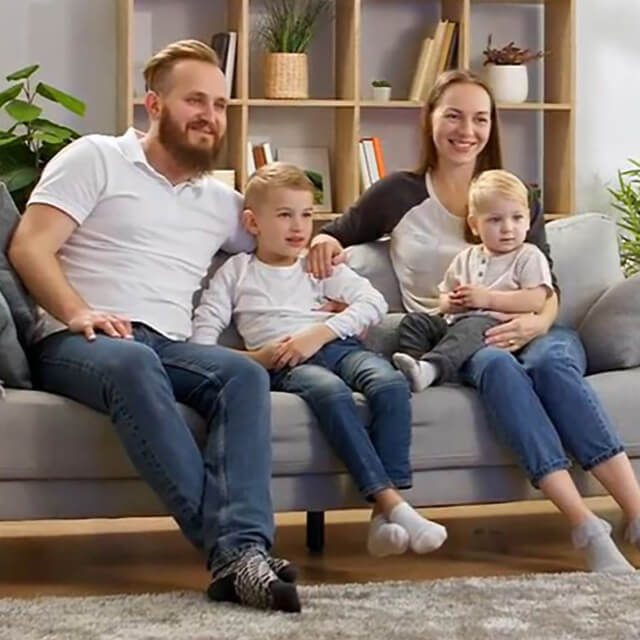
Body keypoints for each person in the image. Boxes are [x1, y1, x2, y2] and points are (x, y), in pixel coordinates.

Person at [307, 69, 640, 573]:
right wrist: (323, 242)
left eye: (480, 118)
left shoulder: (516, 193)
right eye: (454, 115)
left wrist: (537, 323)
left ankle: (635, 512)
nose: (467, 130)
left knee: (552, 366)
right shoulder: (397, 193)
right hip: (465, 341)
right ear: (431, 121)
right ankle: (584, 524)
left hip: (539, 328)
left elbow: (547, 286)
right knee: (499, 369)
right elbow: (334, 232)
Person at [8, 40, 301, 612]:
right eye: (196, 100)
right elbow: (28, 246)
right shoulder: (95, 157)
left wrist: (323, 247)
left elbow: (278, 240)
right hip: (79, 342)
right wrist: (76, 311)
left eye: (219, 105)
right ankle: (235, 554)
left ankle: (240, 552)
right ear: (153, 105)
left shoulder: (221, 201)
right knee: (134, 360)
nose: (210, 116)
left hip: (164, 343)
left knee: (242, 377)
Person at [192, 162, 448, 558]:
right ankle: (393, 506)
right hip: (287, 361)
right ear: (252, 222)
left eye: (307, 215)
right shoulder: (236, 273)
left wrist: (321, 332)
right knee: (330, 394)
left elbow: (373, 303)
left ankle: (384, 518)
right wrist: (254, 359)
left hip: (337, 345)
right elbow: (202, 340)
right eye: (284, 215)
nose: (298, 227)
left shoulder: (317, 264)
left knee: (390, 384)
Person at [393, 169, 553, 392]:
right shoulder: (466, 257)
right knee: (416, 322)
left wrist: (487, 299)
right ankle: (415, 370)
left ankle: (433, 368)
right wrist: (452, 302)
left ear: (528, 220)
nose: (508, 228)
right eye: (495, 220)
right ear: (474, 225)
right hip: (456, 324)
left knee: (472, 326)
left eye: (517, 218)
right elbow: (443, 298)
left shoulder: (528, 256)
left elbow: (535, 301)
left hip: (498, 328)